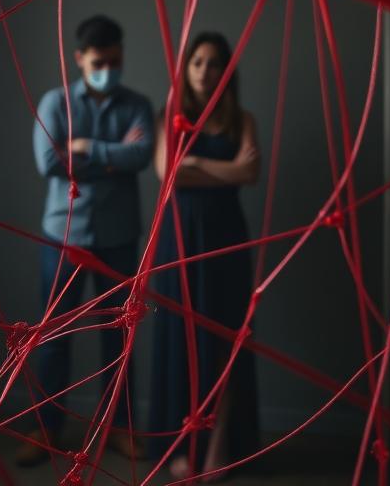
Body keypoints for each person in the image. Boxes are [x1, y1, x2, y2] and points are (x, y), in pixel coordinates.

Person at [18, 14, 155, 466]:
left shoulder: (138, 104)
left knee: (119, 337)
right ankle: (46, 428)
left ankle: (118, 428)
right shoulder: (55, 102)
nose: (107, 70)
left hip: (119, 237)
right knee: (53, 335)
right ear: (79, 59)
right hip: (64, 236)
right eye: (99, 62)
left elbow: (141, 155)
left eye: (115, 61)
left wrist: (85, 148)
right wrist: (113, 157)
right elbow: (49, 163)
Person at [149, 32, 261, 481]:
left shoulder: (241, 119)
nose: (204, 71)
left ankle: (218, 444)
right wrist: (225, 169)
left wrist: (195, 165)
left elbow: (250, 172)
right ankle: (182, 444)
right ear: (187, 67)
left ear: (225, 72)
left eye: (213, 63)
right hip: (179, 238)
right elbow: (168, 175)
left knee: (225, 341)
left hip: (226, 237)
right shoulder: (170, 116)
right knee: (182, 340)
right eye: (197, 62)